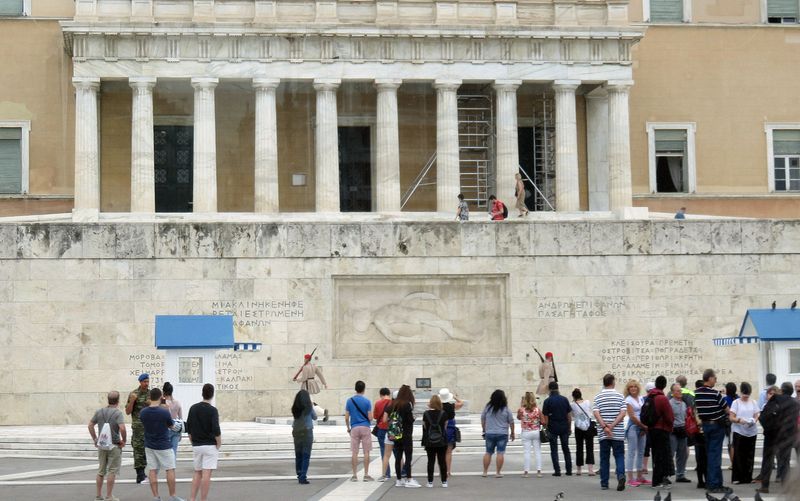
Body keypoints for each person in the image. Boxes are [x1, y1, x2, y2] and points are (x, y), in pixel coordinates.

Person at [139, 387, 184, 501]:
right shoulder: (164, 412)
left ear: (150, 397)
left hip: (149, 444)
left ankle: (156, 497)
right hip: (163, 444)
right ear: (161, 397)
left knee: (152, 470)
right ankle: (172, 495)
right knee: (170, 469)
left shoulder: (143, 412)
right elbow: (172, 426)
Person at [757, 381, 800, 494]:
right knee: (784, 461)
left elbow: (764, 415)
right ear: (792, 391)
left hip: (772, 434)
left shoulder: (776, 398)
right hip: (786, 435)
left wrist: (767, 428)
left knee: (767, 459)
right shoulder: (795, 403)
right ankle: (785, 487)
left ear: (782, 390)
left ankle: (765, 486)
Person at [695, 368, 729, 494]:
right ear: (709, 378)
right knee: (715, 456)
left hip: (705, 426)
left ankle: (713, 482)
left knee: (710, 455)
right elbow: (727, 409)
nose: (716, 380)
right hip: (716, 426)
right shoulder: (715, 393)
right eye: (715, 378)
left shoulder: (696, 393)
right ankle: (715, 484)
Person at [88, 391, 127, 501]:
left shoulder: (99, 411)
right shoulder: (118, 413)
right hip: (114, 445)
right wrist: (123, 440)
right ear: (118, 401)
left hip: (102, 445)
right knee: (112, 471)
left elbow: (90, 425)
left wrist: (95, 439)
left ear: (108, 400)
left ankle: (98, 495)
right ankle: (109, 496)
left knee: (101, 471)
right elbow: (123, 428)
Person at [186, 384, 221, 501]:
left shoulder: (193, 408)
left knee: (197, 472)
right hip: (210, 445)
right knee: (206, 474)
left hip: (197, 445)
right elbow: (216, 428)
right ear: (212, 394)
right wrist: (219, 443)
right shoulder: (213, 410)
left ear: (202, 393)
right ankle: (203, 499)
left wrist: (192, 440)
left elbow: (188, 427)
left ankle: (191, 498)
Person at [592, 373, 627, 492]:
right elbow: (623, 413)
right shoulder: (620, 396)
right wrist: (611, 426)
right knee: (619, 456)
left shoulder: (598, 397)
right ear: (613, 382)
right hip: (617, 433)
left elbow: (596, 413)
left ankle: (604, 483)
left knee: (604, 458)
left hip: (603, 434)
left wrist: (605, 427)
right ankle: (621, 475)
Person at [647, 375, 674, 490]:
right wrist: (670, 426)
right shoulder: (662, 398)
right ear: (664, 385)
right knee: (662, 456)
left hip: (652, 429)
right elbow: (670, 417)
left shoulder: (650, 396)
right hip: (661, 430)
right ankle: (658, 481)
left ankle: (656, 480)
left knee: (656, 456)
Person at [481, 389, 515, 478]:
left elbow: (483, 418)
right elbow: (511, 421)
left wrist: (484, 429)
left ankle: (485, 472)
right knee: (500, 453)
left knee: (488, 452)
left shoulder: (487, 408)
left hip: (490, 432)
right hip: (502, 433)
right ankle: (498, 472)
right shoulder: (506, 409)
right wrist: (512, 432)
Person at [729, 382, 758, 484]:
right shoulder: (736, 402)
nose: (746, 397)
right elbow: (731, 417)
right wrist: (739, 420)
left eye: (748, 394)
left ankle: (748, 477)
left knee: (750, 455)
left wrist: (754, 420)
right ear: (741, 392)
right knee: (738, 454)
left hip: (751, 431)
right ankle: (737, 477)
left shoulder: (753, 402)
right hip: (739, 431)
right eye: (745, 394)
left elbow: (756, 414)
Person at [391, 384, 420, 487]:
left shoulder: (395, 403)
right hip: (406, 434)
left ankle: (399, 480)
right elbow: (408, 420)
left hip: (397, 433)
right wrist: (414, 418)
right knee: (408, 457)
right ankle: (409, 478)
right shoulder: (407, 404)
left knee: (398, 457)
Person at [344, 380, 374, 482]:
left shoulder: (349, 401)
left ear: (355, 389)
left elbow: (347, 417)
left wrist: (348, 427)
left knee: (354, 452)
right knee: (366, 452)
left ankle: (354, 475)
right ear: (364, 389)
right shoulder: (367, 401)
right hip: (365, 427)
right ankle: (366, 475)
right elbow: (370, 417)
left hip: (354, 427)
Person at [542, 381, 572, 477]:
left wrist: (546, 428)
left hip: (552, 427)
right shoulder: (564, 399)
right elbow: (569, 416)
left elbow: (545, 417)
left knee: (554, 450)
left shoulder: (547, 401)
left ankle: (557, 470)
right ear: (558, 388)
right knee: (566, 448)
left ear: (550, 389)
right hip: (564, 427)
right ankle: (569, 470)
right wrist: (569, 427)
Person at [125, 373, 150, 483]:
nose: (146, 383)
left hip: (149, 427)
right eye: (144, 381)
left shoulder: (151, 394)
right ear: (140, 382)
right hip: (138, 428)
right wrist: (132, 401)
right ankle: (140, 474)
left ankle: (144, 473)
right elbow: (127, 411)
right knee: (138, 450)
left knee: (147, 451)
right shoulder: (133, 394)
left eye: (148, 381)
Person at [623, 379, 648, 487]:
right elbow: (632, 416)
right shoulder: (628, 400)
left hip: (642, 427)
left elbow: (644, 412)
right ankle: (630, 478)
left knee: (641, 452)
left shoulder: (641, 398)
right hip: (633, 427)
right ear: (628, 389)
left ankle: (639, 476)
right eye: (631, 387)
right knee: (631, 452)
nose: (633, 388)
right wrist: (643, 426)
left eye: (635, 386)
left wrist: (644, 427)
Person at [290, 389, 316, 485]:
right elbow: (315, 417)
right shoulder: (309, 408)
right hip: (307, 431)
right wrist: (312, 405)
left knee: (298, 454)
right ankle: (303, 476)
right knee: (306, 455)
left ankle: (299, 473)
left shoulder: (295, 408)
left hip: (296, 431)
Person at [422, 395, 449, 488]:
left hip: (429, 441)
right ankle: (444, 481)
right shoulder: (443, 413)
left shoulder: (426, 414)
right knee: (442, 461)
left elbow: (425, 427)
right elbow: (445, 427)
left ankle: (430, 482)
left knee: (430, 461)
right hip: (441, 440)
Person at [293, 354, 329, 422]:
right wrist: (325, 383)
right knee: (309, 402)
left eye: (304, 358)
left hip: (307, 386)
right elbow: (320, 375)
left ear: (306, 359)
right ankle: (322, 412)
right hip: (312, 384)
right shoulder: (314, 366)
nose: (304, 359)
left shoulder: (305, 367)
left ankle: (323, 412)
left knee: (309, 403)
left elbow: (304, 378)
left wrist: (297, 379)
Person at [438, 388, 464, 478]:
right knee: (448, 452)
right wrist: (454, 397)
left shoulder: (438, 407)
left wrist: (437, 399)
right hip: (450, 429)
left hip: (440, 429)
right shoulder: (452, 406)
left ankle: (442, 471)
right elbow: (461, 403)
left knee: (441, 452)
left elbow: (429, 404)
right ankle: (448, 471)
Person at [518, 391, 543, 478]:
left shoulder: (521, 410)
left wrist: (521, 405)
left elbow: (518, 417)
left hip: (526, 432)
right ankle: (539, 471)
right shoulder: (537, 409)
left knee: (527, 452)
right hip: (536, 431)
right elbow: (543, 421)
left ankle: (526, 472)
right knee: (537, 452)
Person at [571, 388, 595, 477]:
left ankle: (579, 469)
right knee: (589, 447)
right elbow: (590, 412)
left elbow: (573, 415)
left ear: (573, 396)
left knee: (579, 447)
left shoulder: (572, 405)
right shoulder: (587, 402)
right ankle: (590, 469)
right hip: (588, 426)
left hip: (578, 427)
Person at [669, 383, 690, 483]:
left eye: (680, 390)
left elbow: (685, 417)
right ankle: (667, 475)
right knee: (671, 453)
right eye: (677, 391)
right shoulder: (669, 403)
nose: (680, 392)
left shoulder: (684, 403)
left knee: (683, 454)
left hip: (682, 430)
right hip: (673, 431)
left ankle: (680, 475)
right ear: (673, 393)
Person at [373, 387, 393, 481]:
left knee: (383, 451)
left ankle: (386, 473)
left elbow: (375, 416)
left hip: (381, 428)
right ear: (389, 394)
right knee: (397, 451)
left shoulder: (378, 403)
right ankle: (402, 472)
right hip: (392, 428)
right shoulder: (393, 403)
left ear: (381, 394)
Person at [161, 382, 183, 461]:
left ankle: (168, 467)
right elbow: (181, 418)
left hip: (167, 427)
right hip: (177, 427)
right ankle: (172, 467)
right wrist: (180, 433)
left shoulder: (163, 404)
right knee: (174, 450)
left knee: (166, 451)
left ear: (164, 391)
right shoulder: (177, 403)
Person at [693, 379, 707, 489]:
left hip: (699, 433)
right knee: (702, 458)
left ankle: (702, 481)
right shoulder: (698, 401)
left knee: (701, 458)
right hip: (700, 432)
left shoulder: (696, 400)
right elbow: (698, 419)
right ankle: (701, 481)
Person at [723, 382, 738, 468]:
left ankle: (733, 463)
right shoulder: (738, 398)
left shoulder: (725, 399)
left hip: (728, 424)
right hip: (737, 422)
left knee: (730, 445)